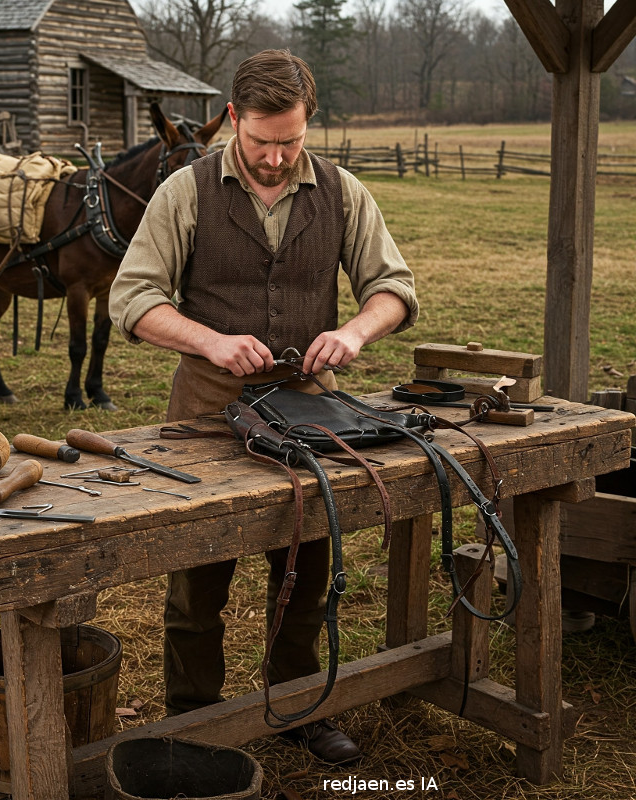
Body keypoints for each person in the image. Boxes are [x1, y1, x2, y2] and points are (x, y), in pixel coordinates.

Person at [109, 49, 418, 764]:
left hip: (311, 416)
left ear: (309, 124)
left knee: (305, 574)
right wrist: (209, 341)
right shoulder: (185, 192)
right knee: (196, 588)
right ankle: (194, 724)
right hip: (206, 416)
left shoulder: (342, 192)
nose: (276, 158)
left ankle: (298, 707)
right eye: (259, 142)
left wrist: (354, 331)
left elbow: (394, 287)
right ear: (231, 120)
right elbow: (133, 298)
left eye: (291, 141)